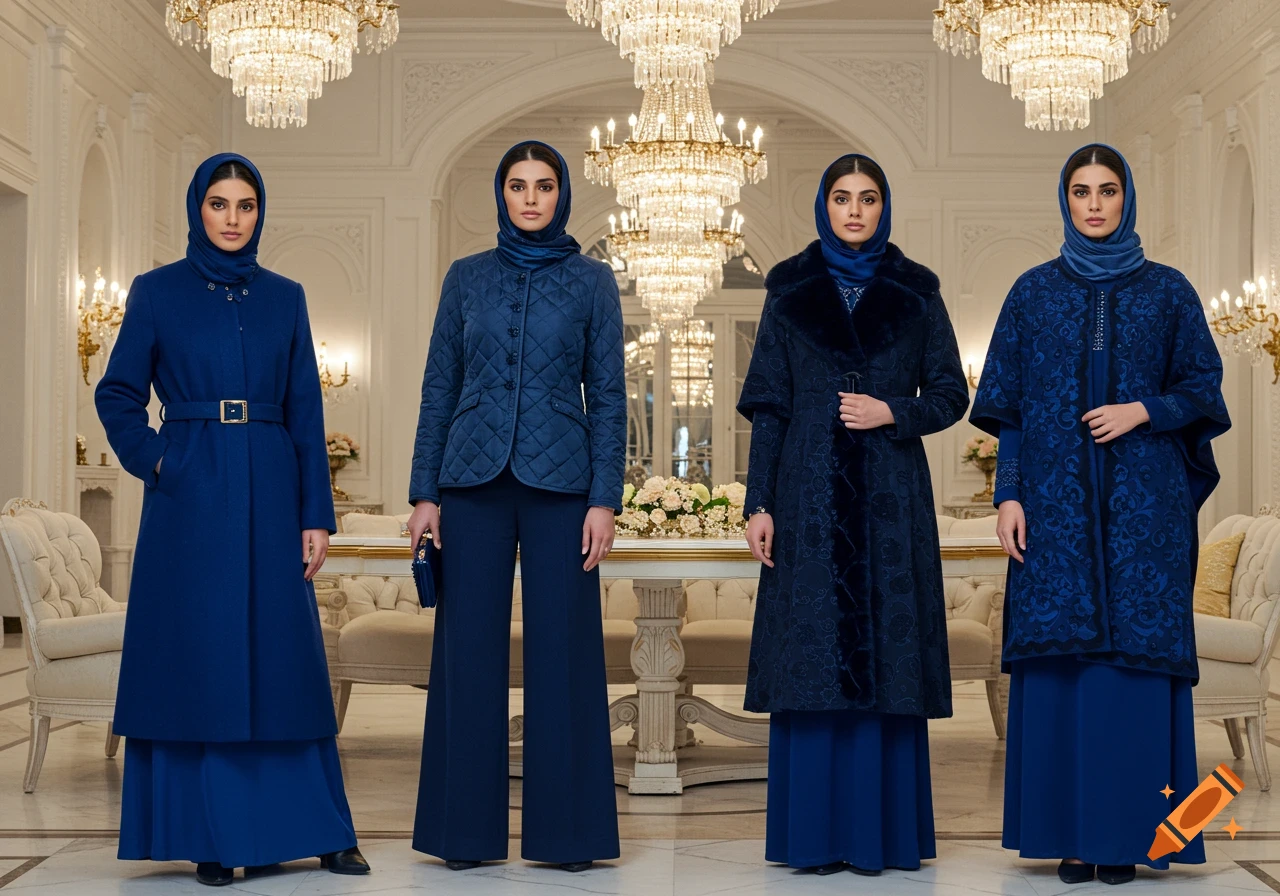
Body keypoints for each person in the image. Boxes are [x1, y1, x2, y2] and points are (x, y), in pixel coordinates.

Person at [96, 153, 368, 887]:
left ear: (259, 214)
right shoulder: (156, 293)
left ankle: (323, 830)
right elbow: (117, 394)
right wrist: (159, 460)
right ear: (199, 208)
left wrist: (318, 513)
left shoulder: (286, 297)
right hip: (191, 490)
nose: (232, 217)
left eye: (245, 205)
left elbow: (307, 410)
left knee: (286, 660)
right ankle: (210, 835)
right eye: (219, 204)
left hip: (275, 484)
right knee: (203, 658)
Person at [971, 143, 1230, 886]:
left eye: (1107, 190)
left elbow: (1204, 391)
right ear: (1065, 199)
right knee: (1063, 672)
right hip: (1051, 512)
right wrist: (1009, 494)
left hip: (1143, 514)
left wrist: (1143, 409)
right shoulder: (1033, 293)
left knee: (1133, 677)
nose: (1094, 203)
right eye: (1081, 190)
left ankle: (1135, 839)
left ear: (1126, 199)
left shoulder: (1168, 291)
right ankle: (1072, 840)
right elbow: (1010, 411)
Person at [737, 153, 969, 876]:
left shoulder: (917, 292)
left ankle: (882, 835)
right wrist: (759, 502)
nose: (856, 211)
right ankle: (811, 838)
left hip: (891, 500)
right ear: (824, 205)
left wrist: (891, 411)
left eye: (868, 199)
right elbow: (769, 406)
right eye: (842, 198)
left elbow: (951, 396)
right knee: (810, 658)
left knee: (886, 657)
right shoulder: (788, 290)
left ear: (883, 207)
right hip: (806, 494)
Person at [407, 140, 625, 872]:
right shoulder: (465, 279)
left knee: (565, 656)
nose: (530, 197)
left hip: (563, 490)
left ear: (562, 194)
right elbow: (439, 385)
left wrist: (604, 498)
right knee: (467, 657)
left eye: (543, 185)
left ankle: (569, 837)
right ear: (500, 194)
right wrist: (423, 493)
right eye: (516, 185)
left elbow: (611, 398)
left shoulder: (594, 282)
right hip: (469, 483)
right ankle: (460, 834)